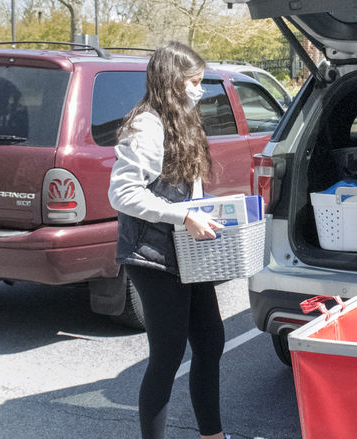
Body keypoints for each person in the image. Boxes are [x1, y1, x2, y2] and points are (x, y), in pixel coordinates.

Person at [108, 41, 230, 439]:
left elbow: (183, 187)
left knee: (211, 343)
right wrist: (184, 215)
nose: (199, 89)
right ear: (172, 82)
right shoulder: (146, 124)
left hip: (185, 252)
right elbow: (123, 194)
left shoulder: (182, 119)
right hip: (153, 254)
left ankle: (212, 434)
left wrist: (206, 208)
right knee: (168, 356)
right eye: (194, 82)